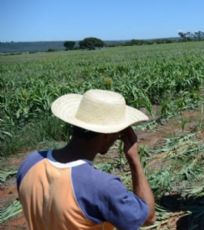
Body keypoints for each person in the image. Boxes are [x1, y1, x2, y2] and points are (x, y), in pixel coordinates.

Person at [17, 89, 156, 230]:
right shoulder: (101, 186)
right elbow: (148, 217)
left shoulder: (30, 163)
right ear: (107, 135)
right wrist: (134, 159)